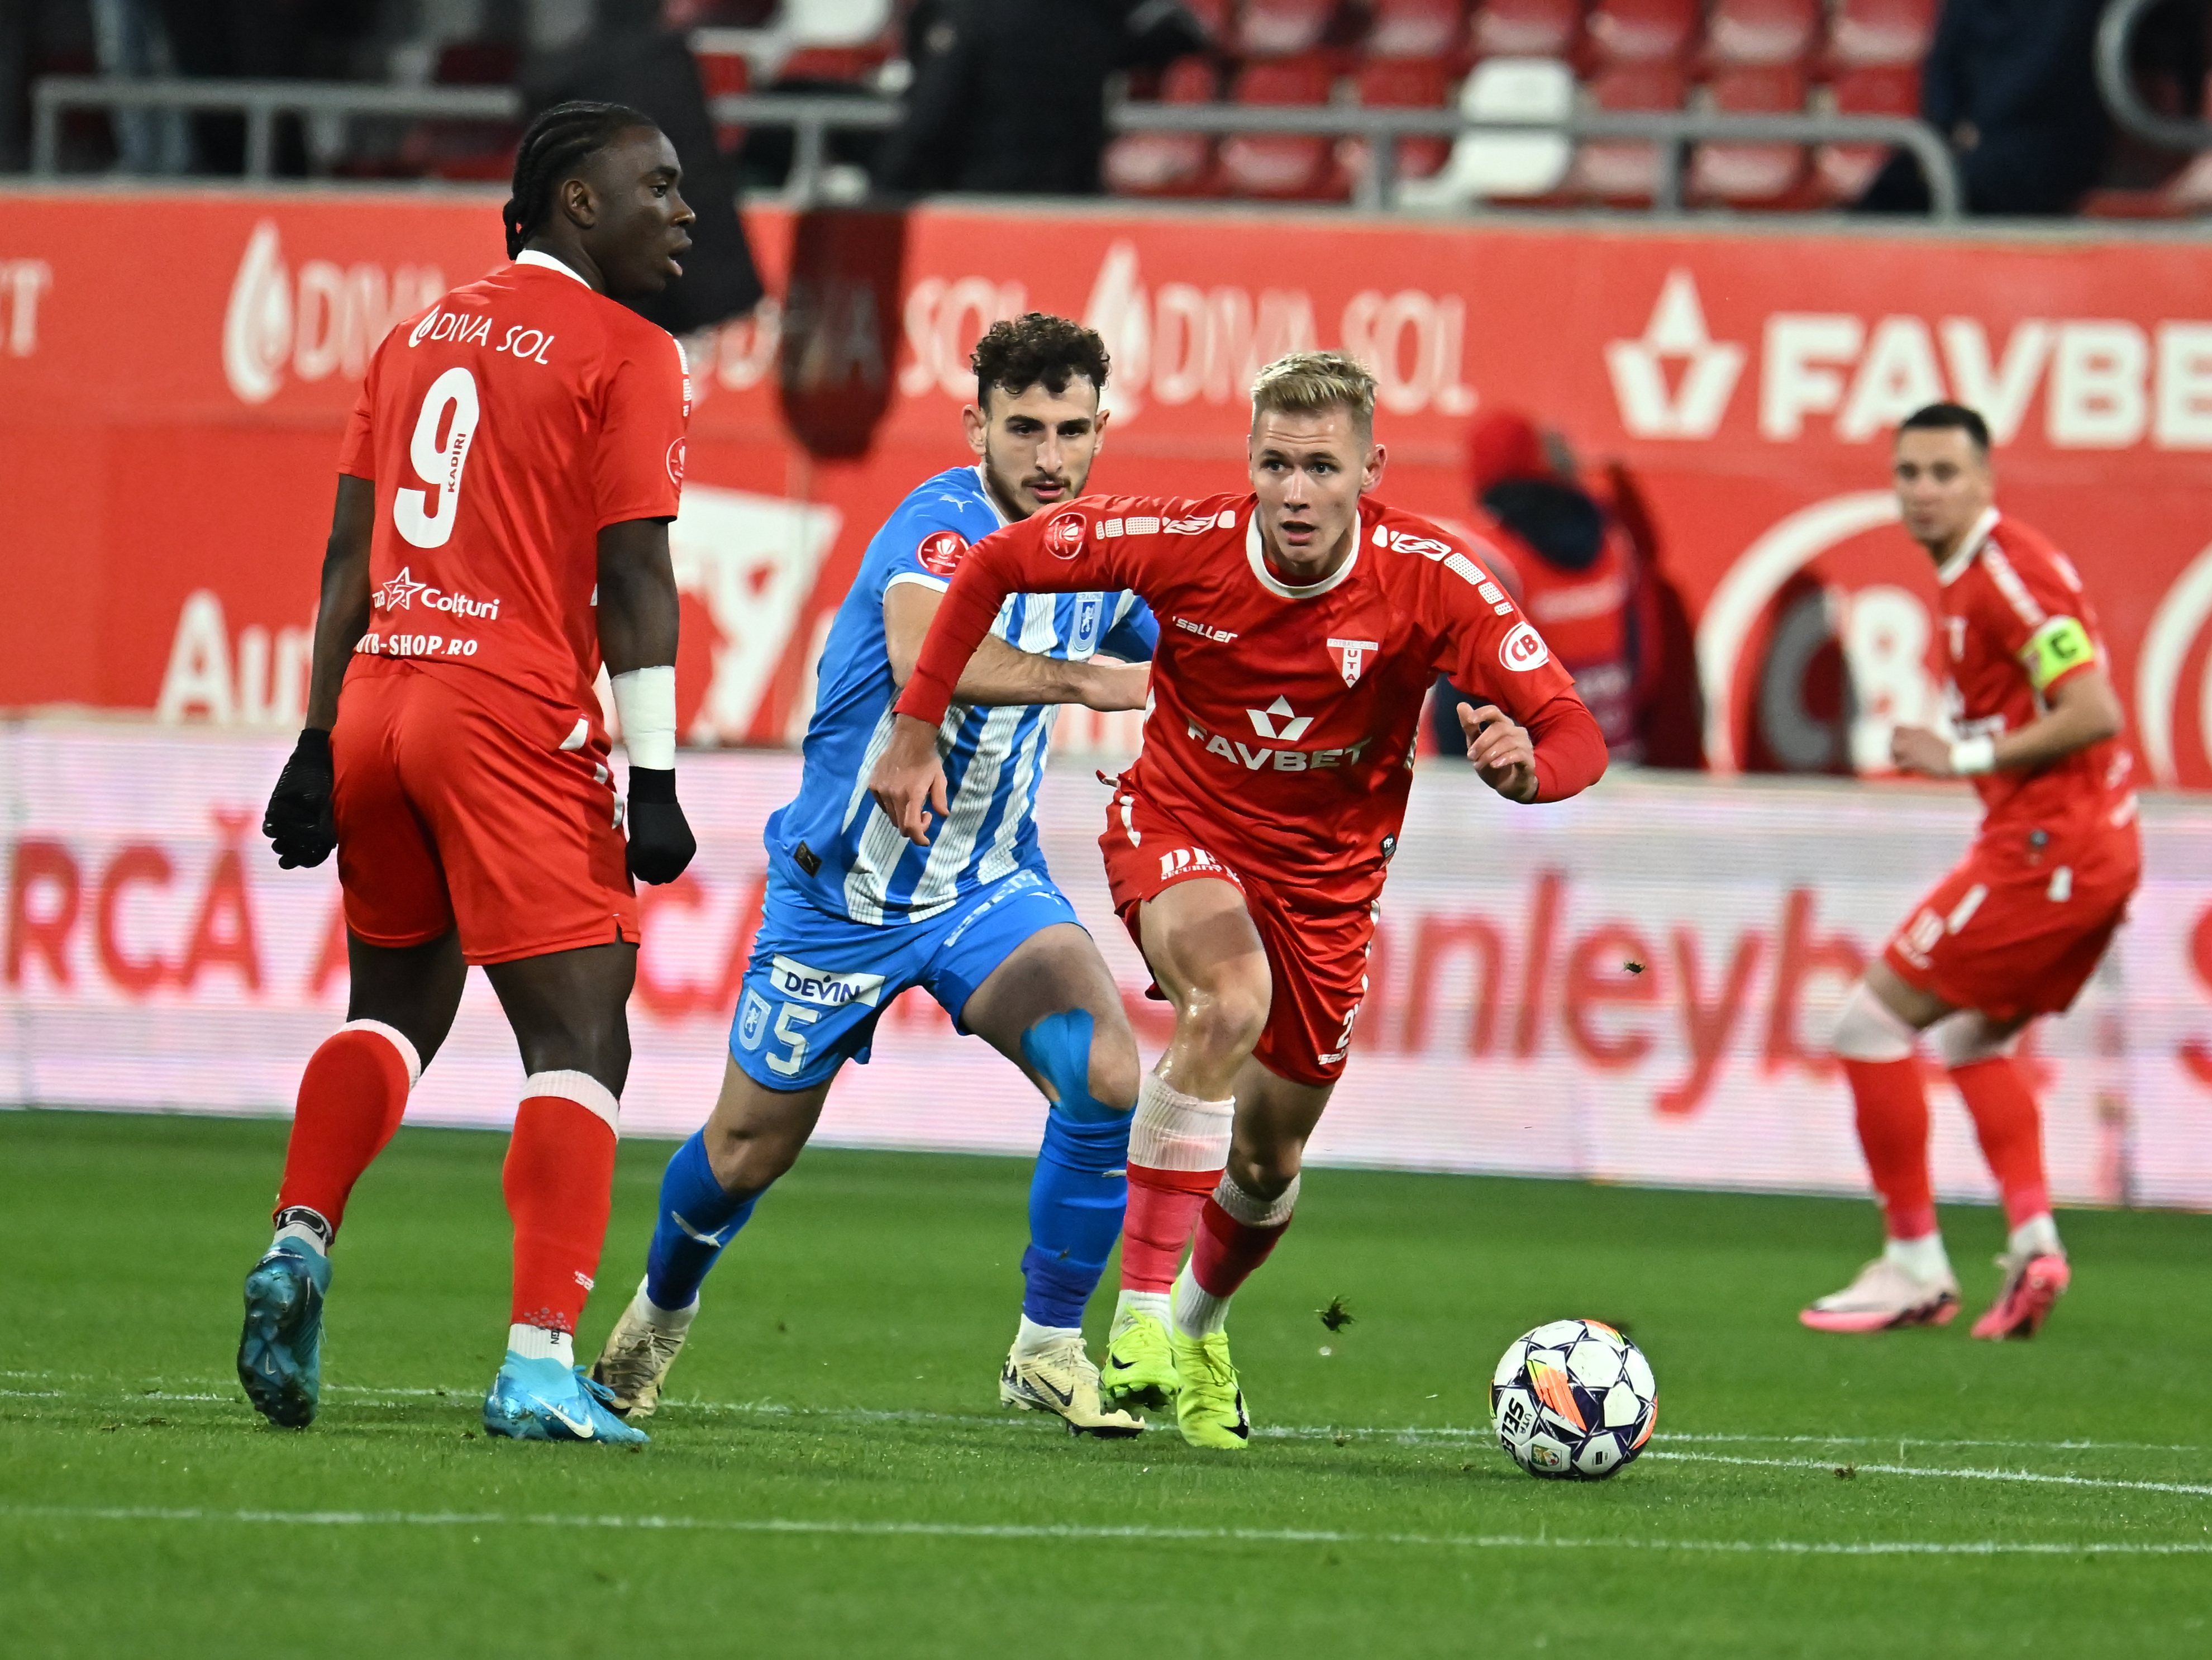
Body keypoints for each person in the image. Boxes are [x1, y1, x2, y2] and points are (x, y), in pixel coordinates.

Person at [870, 351, 1608, 1448]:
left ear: (1371, 470)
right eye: (1275, 463)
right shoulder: (1182, 541)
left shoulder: (1437, 576)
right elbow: (994, 568)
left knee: (1267, 1163)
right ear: (1249, 465)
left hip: (1329, 884)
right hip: (1180, 822)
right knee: (1228, 999)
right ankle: (1138, 1324)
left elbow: (1575, 735)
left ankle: (1199, 1326)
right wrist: (920, 724)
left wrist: (1522, 773)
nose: (1296, 491)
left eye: (1321, 465)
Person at [588, 314, 1159, 1437]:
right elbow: (928, 651)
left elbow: (1193, 631)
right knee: (746, 1150)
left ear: (1103, 429)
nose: (1050, 456)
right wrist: (1094, 683)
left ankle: (1047, 1347)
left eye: (1072, 430)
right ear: (977, 426)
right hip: (840, 901)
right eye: (1025, 428)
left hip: (987, 889)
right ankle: (658, 1313)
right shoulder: (942, 523)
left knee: (1105, 1073)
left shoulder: (1103, 543)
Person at [241, 101, 702, 1445]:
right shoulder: (627, 349)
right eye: (656, 187)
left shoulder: (414, 333)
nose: (683, 212)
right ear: (575, 202)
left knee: (391, 1003)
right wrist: (658, 776)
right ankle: (540, 1362)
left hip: (383, 694)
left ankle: (303, 1237)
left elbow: (345, 563)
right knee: (581, 1034)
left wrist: (317, 739)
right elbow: (633, 577)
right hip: (507, 713)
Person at [1801, 402, 2138, 1340]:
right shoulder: (1979, 575)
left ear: (1987, 479)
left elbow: (2095, 709)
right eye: (1909, 473)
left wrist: (1962, 756)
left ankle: (1912, 1261)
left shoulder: (2004, 577)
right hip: (2086, 847)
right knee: (1974, 1042)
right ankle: (2035, 1244)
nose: (1923, 491)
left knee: (1867, 1024)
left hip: (2050, 852)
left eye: (1944, 473)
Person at [1431, 406, 1657, 763]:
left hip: (1531, 780)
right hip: (1613, 760)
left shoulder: (1491, 556)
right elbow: (1642, 659)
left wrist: (1459, 776)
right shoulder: (1612, 538)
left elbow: (1463, 692)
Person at [875, 0, 1212, 196]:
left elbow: (929, 121)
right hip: (1068, 202)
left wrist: (882, 195)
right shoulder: (1092, 13)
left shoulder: (971, 13)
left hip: (981, 201)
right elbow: (1179, 32)